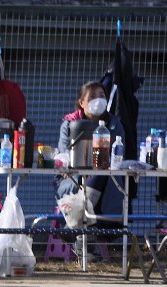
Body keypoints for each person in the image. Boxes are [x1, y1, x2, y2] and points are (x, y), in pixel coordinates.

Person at [56, 81, 127, 258]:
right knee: (96, 174)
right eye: (92, 97)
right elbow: (64, 153)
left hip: (105, 179)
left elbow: (117, 154)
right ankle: (84, 232)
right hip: (72, 178)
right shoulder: (69, 123)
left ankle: (74, 227)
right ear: (81, 102)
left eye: (101, 96)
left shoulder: (114, 123)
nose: (98, 100)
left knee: (102, 171)